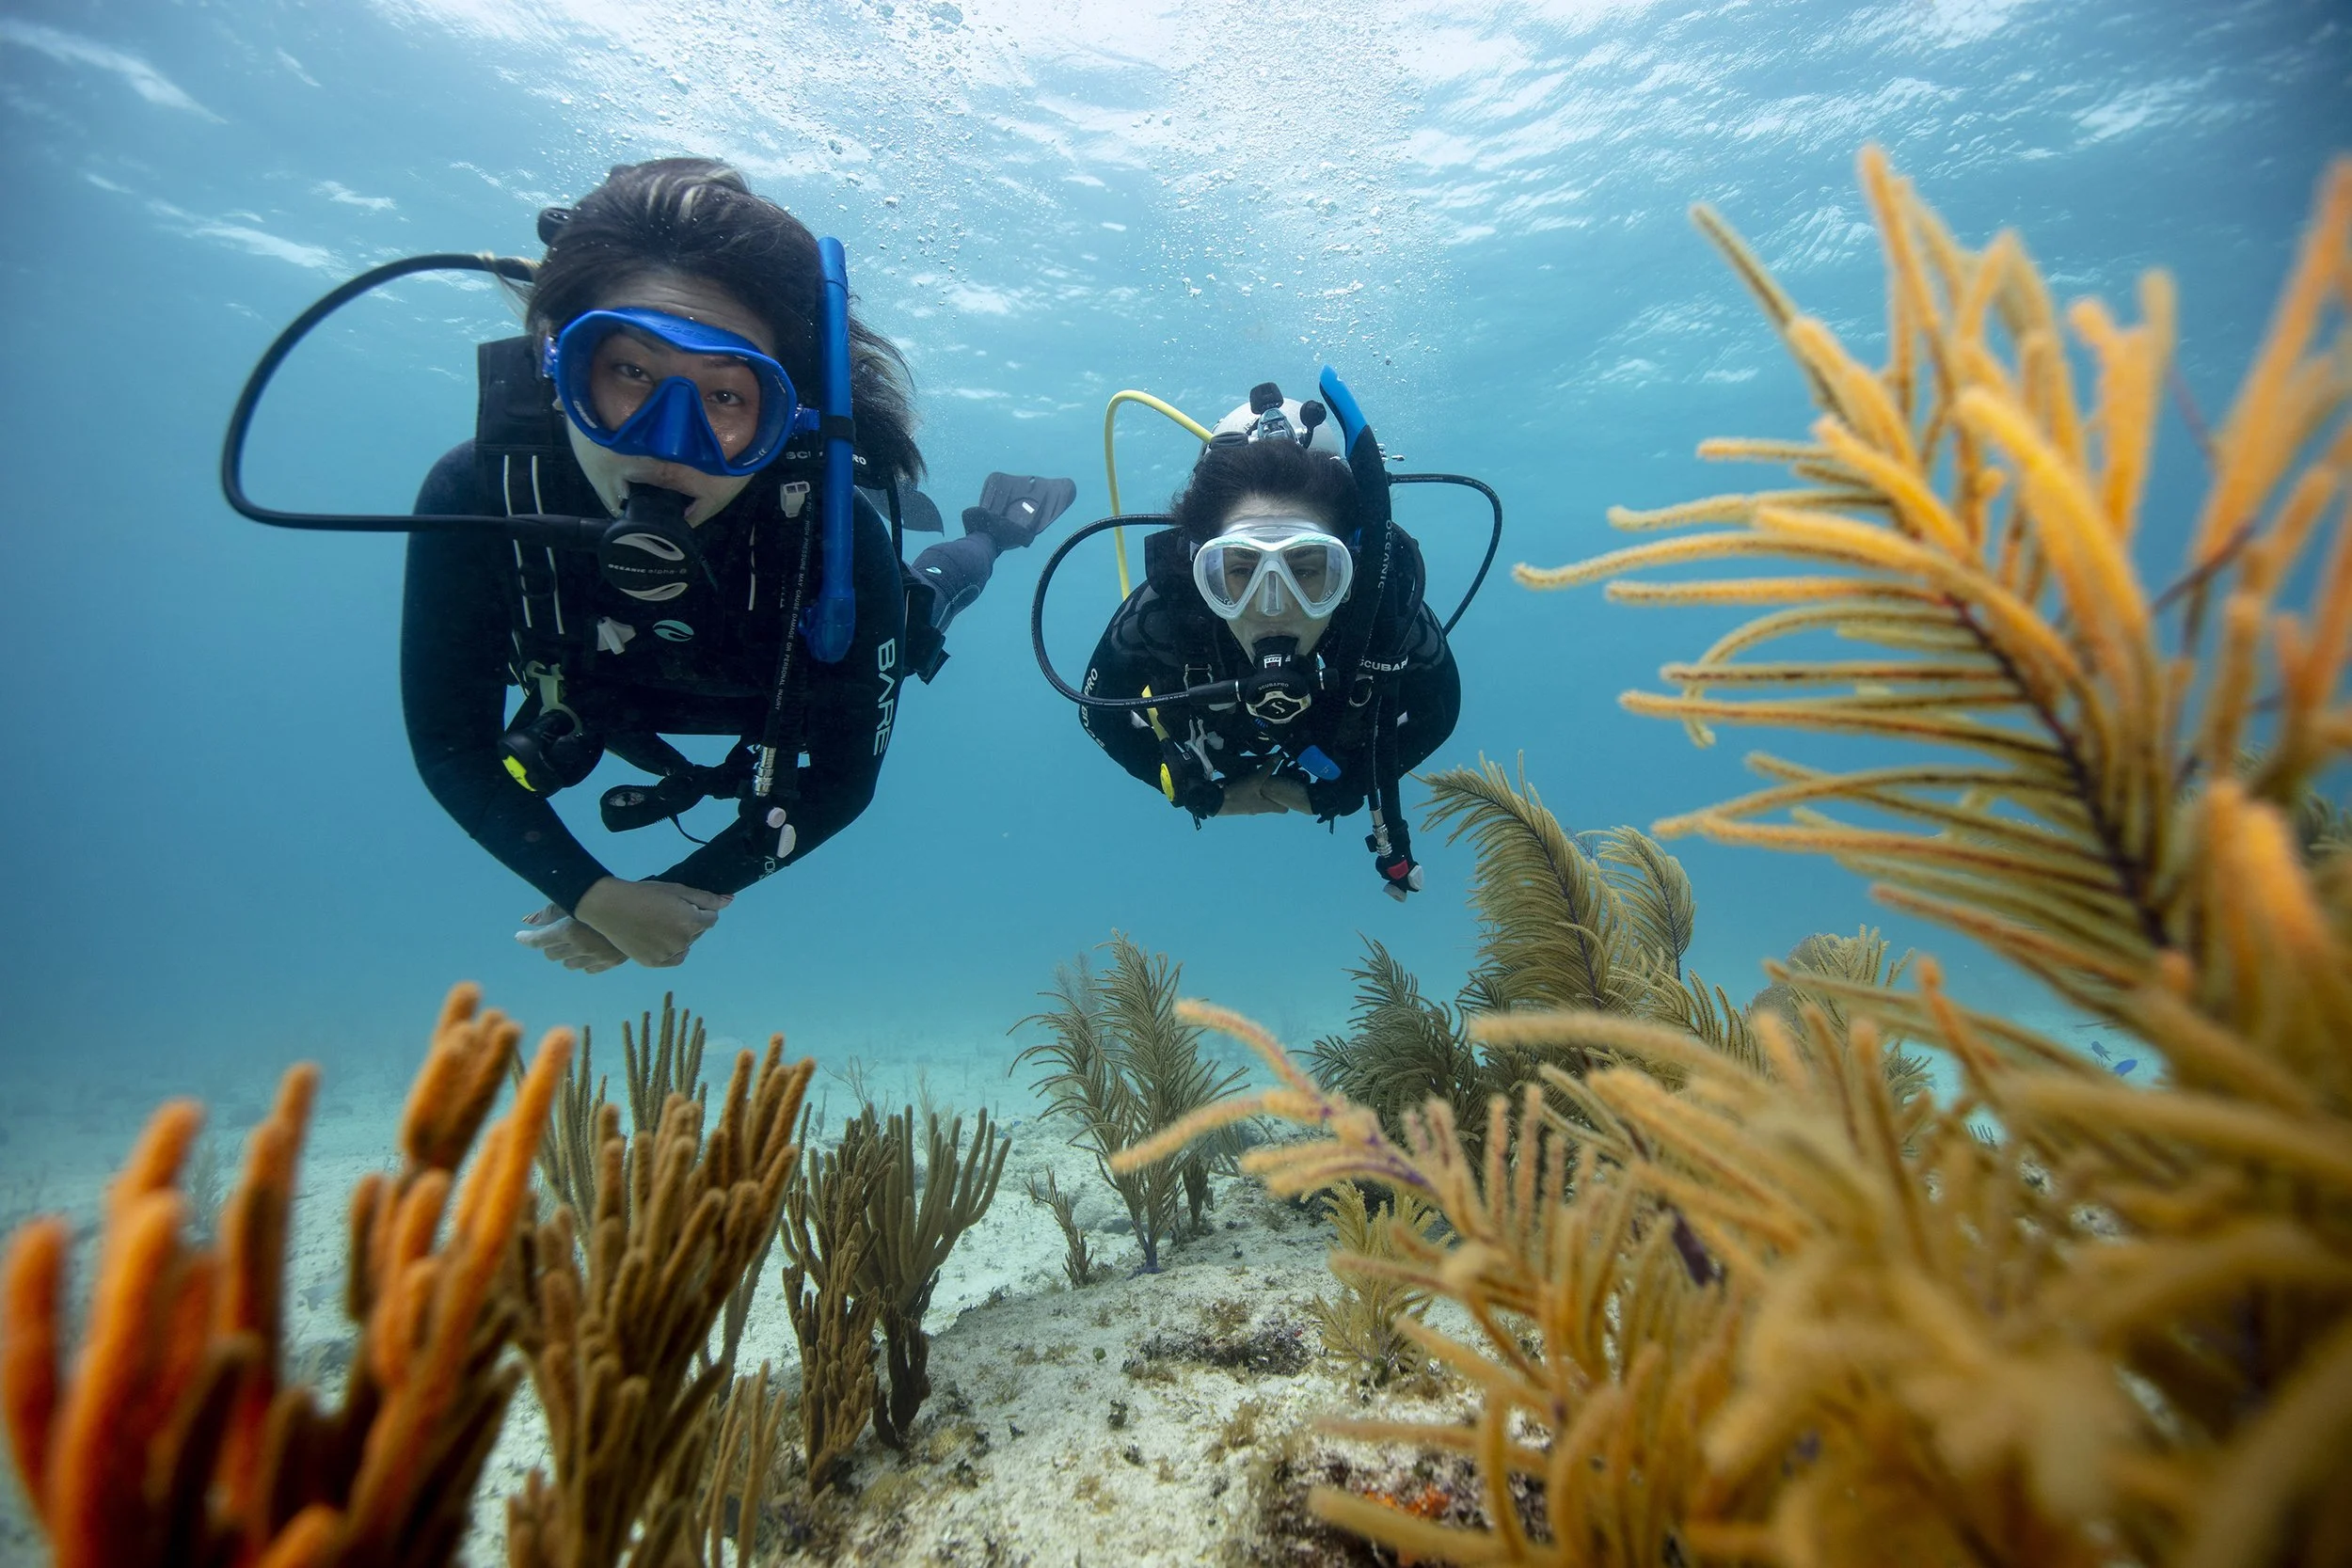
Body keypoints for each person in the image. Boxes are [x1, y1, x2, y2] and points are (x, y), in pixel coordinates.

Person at [401, 158, 1072, 972]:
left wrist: (681, 891)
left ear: (782, 415)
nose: (667, 442)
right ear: (556, 364)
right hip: (606, 699)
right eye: (631, 372)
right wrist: (596, 895)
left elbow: (840, 784)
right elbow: (449, 743)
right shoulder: (480, 492)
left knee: (924, 594)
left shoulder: (833, 536)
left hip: (787, 662)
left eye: (725, 397)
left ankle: (997, 529)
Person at [1073, 385, 1461, 898]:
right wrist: (1194, 792)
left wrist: (1346, 791)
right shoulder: (1165, 614)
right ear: (1199, 568)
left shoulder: (1381, 614)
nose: (1271, 605)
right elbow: (1098, 713)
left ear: (1354, 569)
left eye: (1308, 569)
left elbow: (1441, 709)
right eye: (1238, 571)